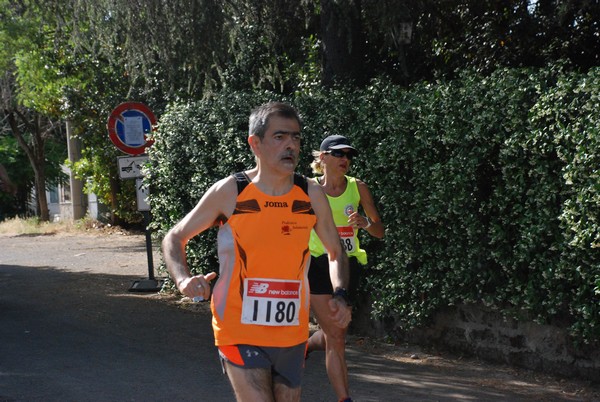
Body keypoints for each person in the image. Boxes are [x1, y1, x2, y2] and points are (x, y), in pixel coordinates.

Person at [162, 102, 352, 402]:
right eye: (280, 137)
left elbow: (335, 252)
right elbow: (174, 237)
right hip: (238, 328)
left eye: (296, 138)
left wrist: (340, 293)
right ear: (256, 143)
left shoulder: (310, 193)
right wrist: (183, 278)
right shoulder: (231, 191)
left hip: (291, 332)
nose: (291, 145)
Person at [306, 134, 384, 402]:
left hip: (348, 265)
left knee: (334, 332)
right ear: (323, 158)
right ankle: (344, 399)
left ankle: (308, 344)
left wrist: (365, 224)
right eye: (339, 154)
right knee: (337, 336)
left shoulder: (358, 188)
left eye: (349, 155)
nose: (345, 160)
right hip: (316, 263)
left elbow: (379, 231)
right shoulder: (308, 189)